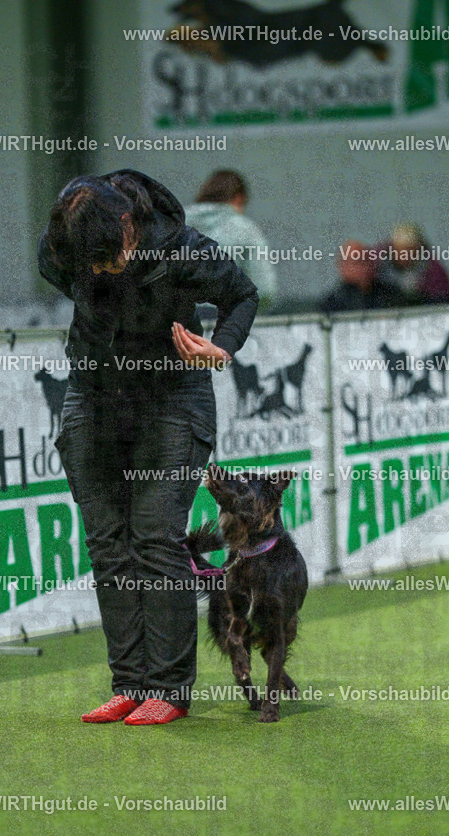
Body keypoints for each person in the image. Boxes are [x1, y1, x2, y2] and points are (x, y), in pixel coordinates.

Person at [37, 168, 258, 725]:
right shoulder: (63, 248)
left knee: (156, 540)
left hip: (172, 399)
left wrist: (221, 347)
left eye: (111, 257)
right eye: (91, 265)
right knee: (108, 545)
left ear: (128, 224)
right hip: (92, 397)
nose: (102, 271)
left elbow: (243, 295)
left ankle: (168, 689)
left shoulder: (182, 249)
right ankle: (128, 683)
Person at [185, 169, 277, 310]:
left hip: (176, 322)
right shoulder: (245, 229)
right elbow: (264, 290)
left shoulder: (177, 224)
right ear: (239, 198)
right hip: (225, 320)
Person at [372, 223, 449, 305]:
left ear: (418, 250)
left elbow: (443, 301)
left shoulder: (434, 272)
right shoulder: (376, 266)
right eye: (399, 249)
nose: (404, 254)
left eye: (409, 250)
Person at [320, 240, 406, 313]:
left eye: (366, 259)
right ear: (343, 266)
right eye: (357, 261)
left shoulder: (391, 294)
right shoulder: (334, 303)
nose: (364, 266)